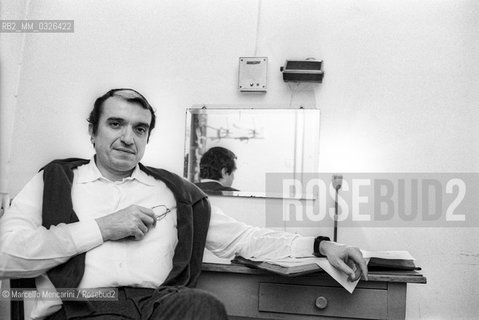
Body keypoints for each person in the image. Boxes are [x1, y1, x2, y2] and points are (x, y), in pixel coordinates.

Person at [0, 88, 368, 320]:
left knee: (204, 306)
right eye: (115, 124)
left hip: (157, 304)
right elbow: (6, 257)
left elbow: (243, 239)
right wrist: (102, 228)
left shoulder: (175, 191)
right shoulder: (55, 180)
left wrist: (321, 245)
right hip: (86, 305)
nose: (128, 138)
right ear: (93, 132)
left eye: (140, 129)